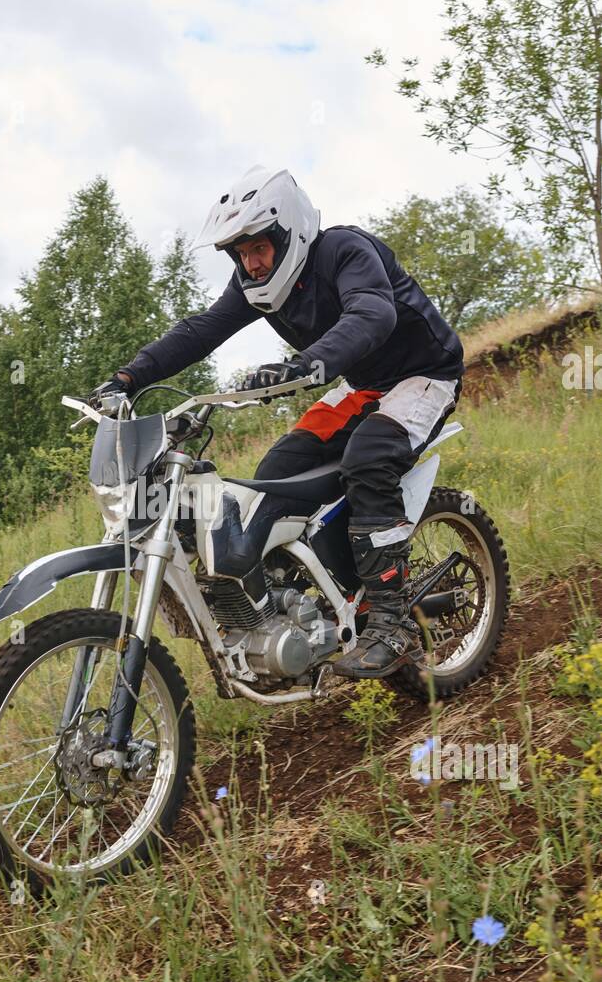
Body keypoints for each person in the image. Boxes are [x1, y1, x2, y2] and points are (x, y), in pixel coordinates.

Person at [90, 165, 464, 679]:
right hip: (359, 386)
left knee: (368, 458)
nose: (252, 263)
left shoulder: (346, 252)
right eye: (241, 254)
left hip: (423, 374)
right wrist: (129, 378)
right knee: (274, 474)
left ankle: (392, 621)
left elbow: (373, 315)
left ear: (290, 232)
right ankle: (306, 597)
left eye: (259, 248)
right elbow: (199, 331)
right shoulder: (254, 284)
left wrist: (308, 362)